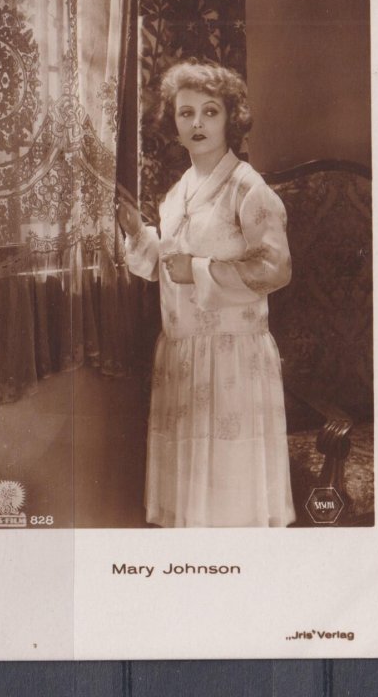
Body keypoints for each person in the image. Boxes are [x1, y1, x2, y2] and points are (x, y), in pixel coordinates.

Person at [117, 60, 295, 528]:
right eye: (186, 112)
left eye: (210, 111)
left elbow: (275, 268)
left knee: (230, 502)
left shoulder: (247, 187)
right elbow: (168, 265)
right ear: (174, 124)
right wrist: (139, 234)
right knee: (192, 504)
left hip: (232, 359)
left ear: (230, 118)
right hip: (182, 355)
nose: (197, 123)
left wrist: (198, 271)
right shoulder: (178, 193)